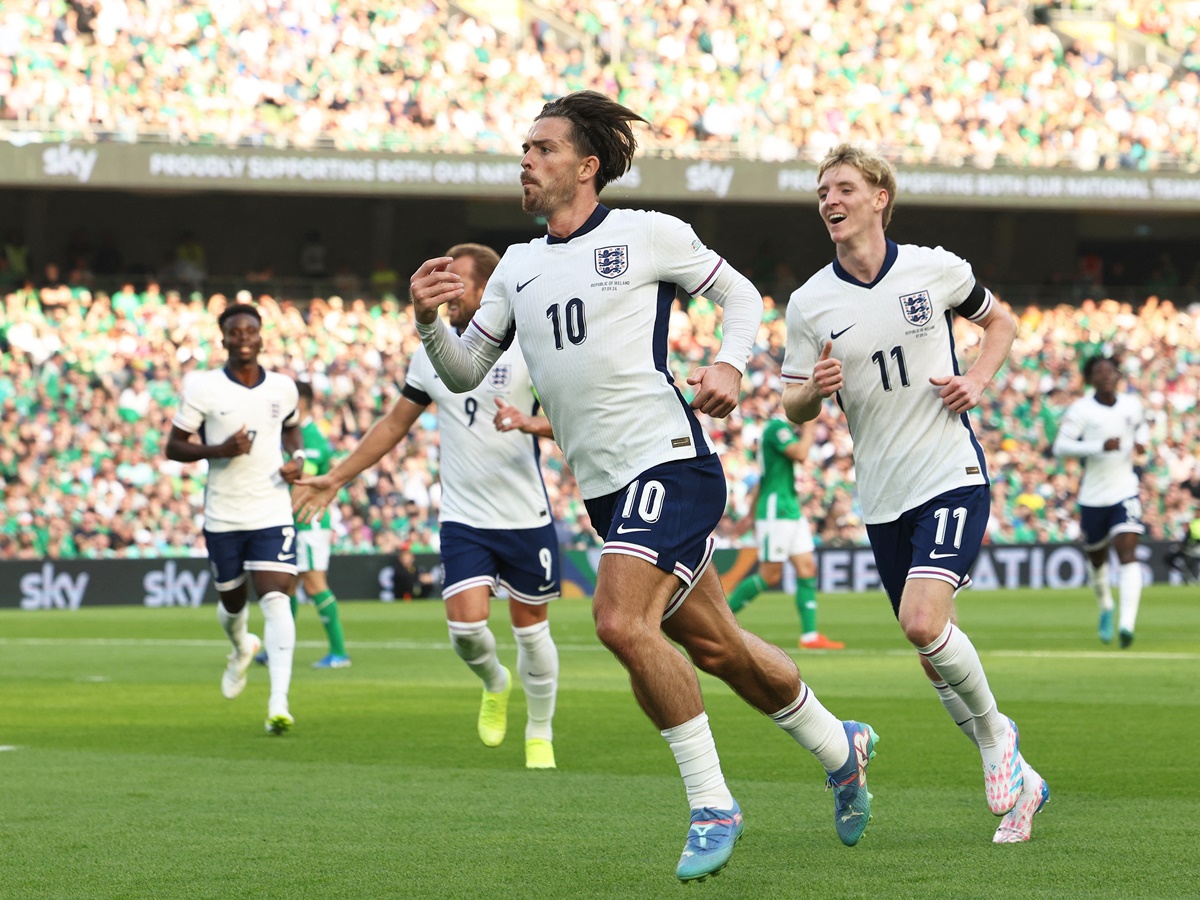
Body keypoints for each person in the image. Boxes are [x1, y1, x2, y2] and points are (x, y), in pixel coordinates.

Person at [406, 91, 877, 882]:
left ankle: (712, 804)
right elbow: (463, 372)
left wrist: (728, 362)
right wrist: (428, 323)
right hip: (606, 492)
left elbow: (740, 295)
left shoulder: (647, 234)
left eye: (543, 148)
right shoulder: (516, 267)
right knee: (720, 648)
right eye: (525, 148)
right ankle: (841, 747)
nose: (526, 159)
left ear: (586, 168)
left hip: (668, 462)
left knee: (621, 622)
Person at [780, 143, 1047, 844]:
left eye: (841, 187)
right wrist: (814, 389)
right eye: (820, 192)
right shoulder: (810, 303)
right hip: (882, 495)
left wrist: (979, 382)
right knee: (931, 652)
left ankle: (998, 736)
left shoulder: (936, 268)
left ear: (878, 197)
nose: (828, 200)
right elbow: (791, 408)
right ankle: (1028, 784)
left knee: (924, 624)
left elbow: (1003, 323)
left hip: (948, 472)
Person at [293, 242, 563, 771]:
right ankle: (494, 682)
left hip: (525, 515)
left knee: (532, 633)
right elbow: (395, 424)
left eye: (456, 281)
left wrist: (531, 423)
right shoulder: (430, 351)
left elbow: (573, 420)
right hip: (464, 518)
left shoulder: (528, 351)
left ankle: (539, 731)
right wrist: (337, 478)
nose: (446, 292)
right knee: (465, 632)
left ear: (487, 289)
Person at [164, 303, 302, 735]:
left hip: (273, 508)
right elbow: (173, 447)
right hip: (224, 513)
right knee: (232, 603)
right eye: (234, 331)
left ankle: (279, 701)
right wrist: (218, 450)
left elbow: (293, 428)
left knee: (277, 597)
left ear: (262, 338)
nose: (243, 337)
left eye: (250, 331)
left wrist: (297, 458)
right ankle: (242, 645)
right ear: (223, 339)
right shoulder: (204, 388)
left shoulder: (283, 387)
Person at [1052, 355, 1150, 646]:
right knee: (1097, 561)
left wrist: (1143, 442)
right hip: (1093, 496)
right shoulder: (1081, 409)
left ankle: (1127, 625)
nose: (1106, 375)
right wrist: (1098, 446)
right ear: (1090, 378)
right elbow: (1060, 446)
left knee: (1128, 552)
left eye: (1110, 371)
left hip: (1125, 490)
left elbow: (1142, 428)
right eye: (1099, 372)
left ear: (1119, 375)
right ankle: (1106, 605)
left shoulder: (1132, 405)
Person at [728, 410, 845, 649]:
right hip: (776, 510)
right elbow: (801, 454)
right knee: (770, 575)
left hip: (789, 507)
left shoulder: (781, 431)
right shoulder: (777, 428)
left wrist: (750, 514)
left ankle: (810, 636)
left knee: (807, 568)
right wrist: (811, 422)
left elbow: (764, 477)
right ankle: (718, 622)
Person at [281, 380, 352, 667]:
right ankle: (280, 646)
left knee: (313, 584)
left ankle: (339, 652)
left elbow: (303, 484)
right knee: (287, 586)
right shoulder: (296, 435)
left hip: (307, 521)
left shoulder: (311, 439)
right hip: (299, 521)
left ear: (302, 404)